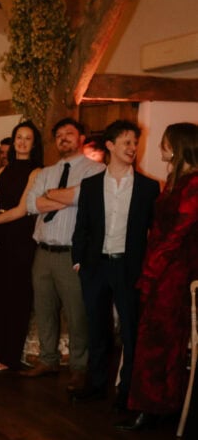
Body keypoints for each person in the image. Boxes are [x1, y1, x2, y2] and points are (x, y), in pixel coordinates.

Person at [115, 122, 198, 430]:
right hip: (162, 269)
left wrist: (151, 273)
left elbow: (176, 235)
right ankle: (154, 406)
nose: (161, 146)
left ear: (178, 146)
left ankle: (153, 408)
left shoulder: (194, 185)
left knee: (159, 342)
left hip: (173, 274)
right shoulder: (178, 181)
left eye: (164, 142)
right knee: (155, 340)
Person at [71, 121, 159, 407]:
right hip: (96, 266)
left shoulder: (148, 187)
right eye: (127, 142)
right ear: (110, 145)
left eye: (135, 143)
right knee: (97, 328)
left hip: (129, 267)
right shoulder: (91, 185)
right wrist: (78, 261)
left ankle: (127, 393)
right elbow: (82, 225)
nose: (133, 148)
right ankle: (96, 385)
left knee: (131, 331)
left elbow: (153, 231)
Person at [21, 118, 105, 390]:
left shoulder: (97, 169)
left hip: (72, 254)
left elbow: (83, 198)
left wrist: (54, 195)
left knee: (77, 312)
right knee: (44, 308)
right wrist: (65, 196)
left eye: (69, 133)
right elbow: (32, 204)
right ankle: (48, 359)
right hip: (43, 252)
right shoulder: (46, 171)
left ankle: (80, 367)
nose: (63, 138)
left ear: (81, 137)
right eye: (58, 135)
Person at [0, 120, 43, 371]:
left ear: (34, 143)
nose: (22, 142)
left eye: (28, 138)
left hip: (20, 235)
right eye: (19, 137)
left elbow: (22, 209)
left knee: (16, 296)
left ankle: (9, 354)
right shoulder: (2, 170)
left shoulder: (37, 171)